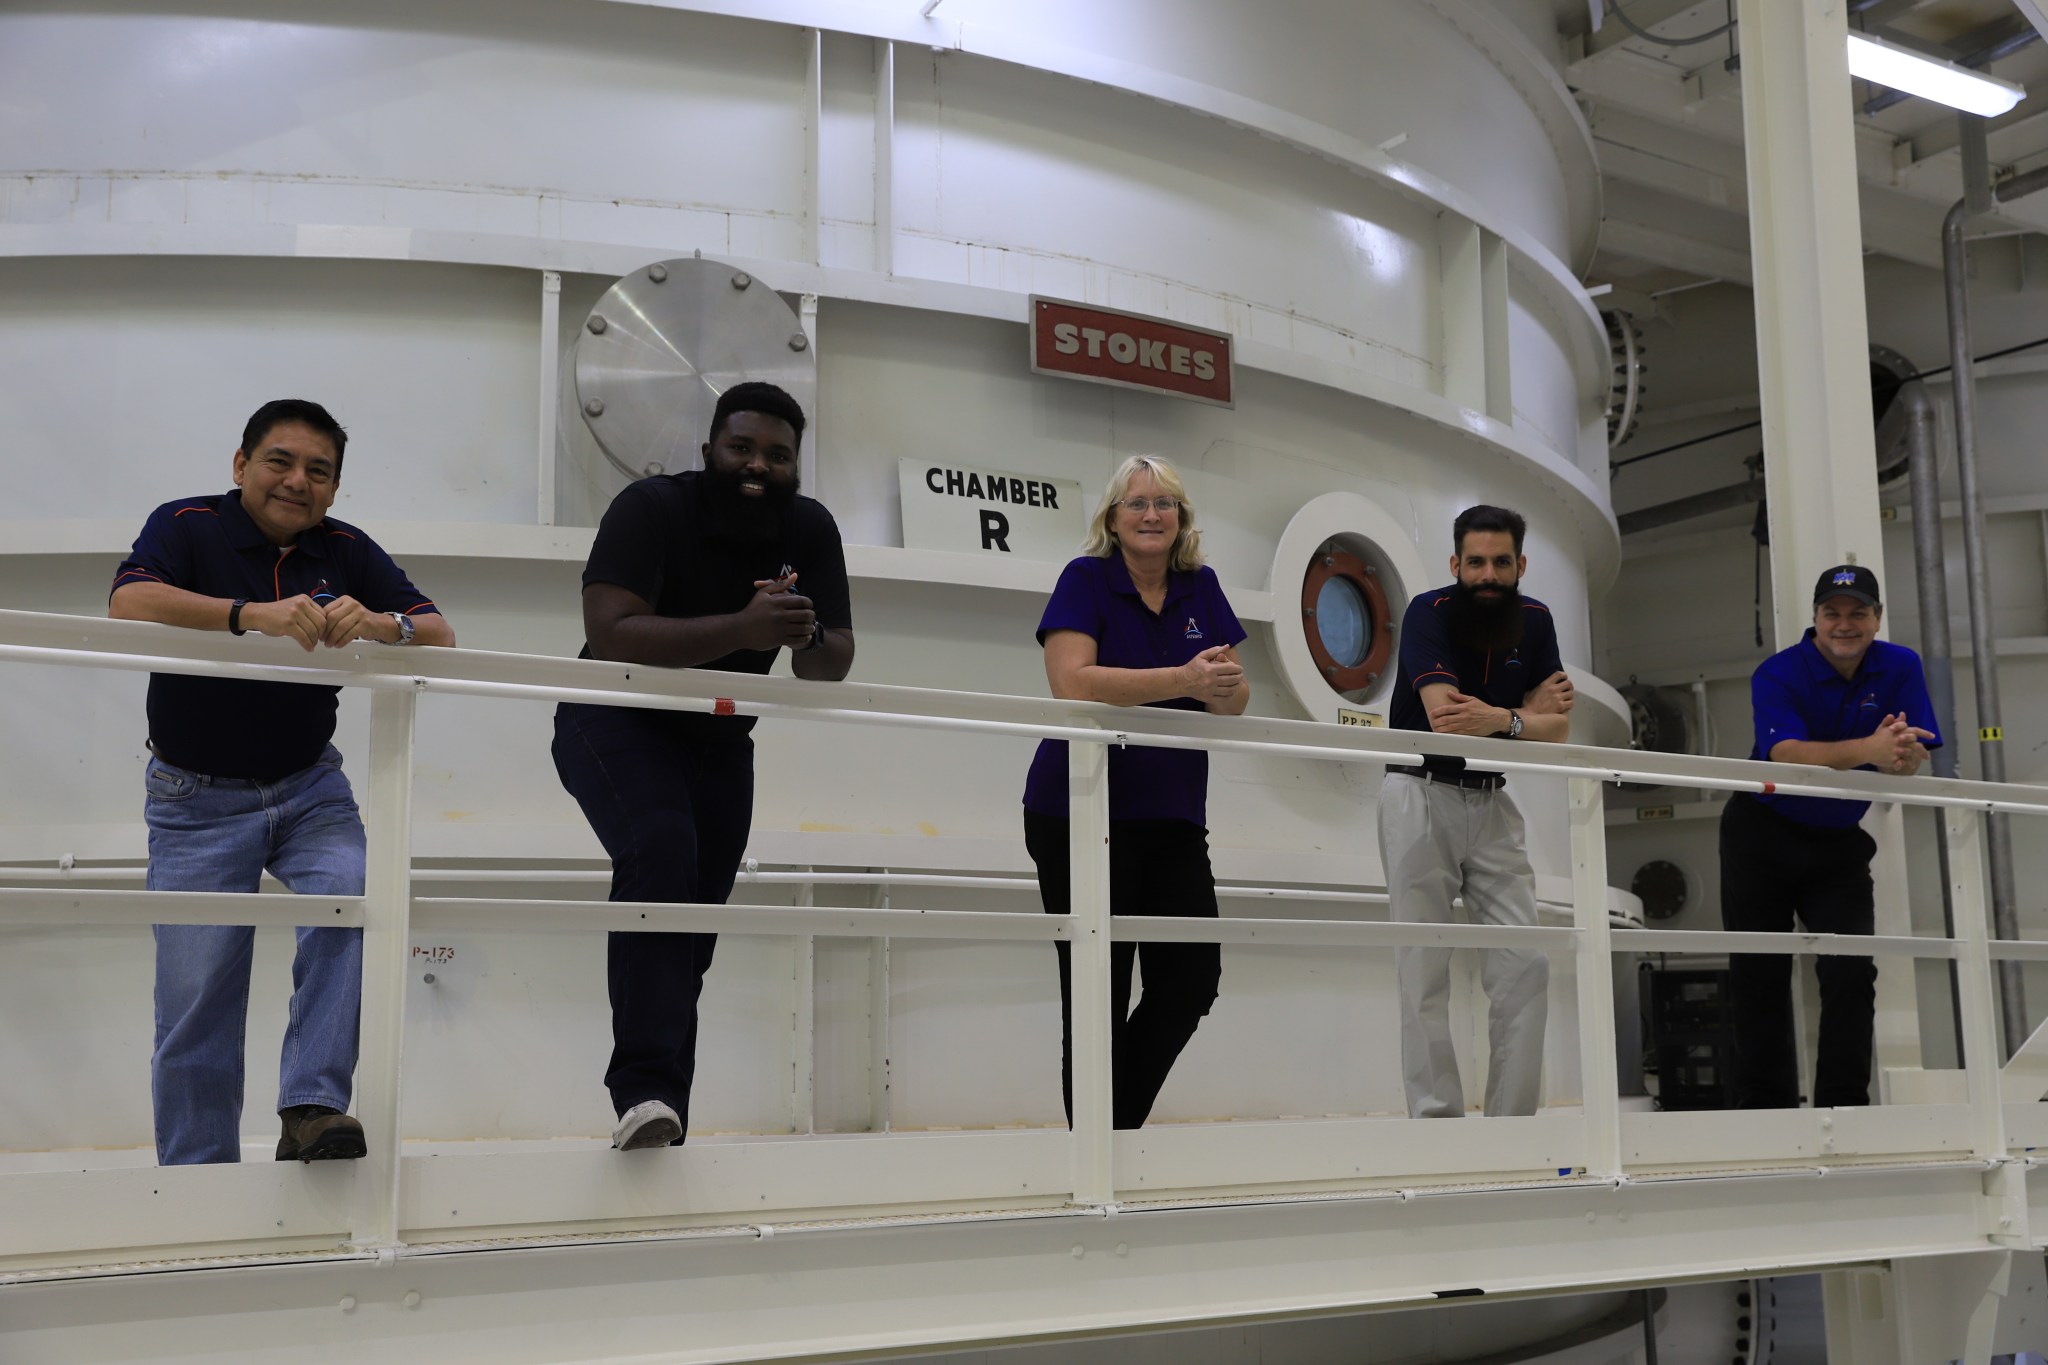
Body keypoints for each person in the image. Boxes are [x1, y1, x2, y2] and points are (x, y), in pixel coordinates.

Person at [109, 398, 455, 1165]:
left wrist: (381, 624)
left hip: (310, 792)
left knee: (355, 900)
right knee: (197, 997)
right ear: (241, 467)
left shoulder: (346, 547)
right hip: (194, 801)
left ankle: (312, 1105)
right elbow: (128, 603)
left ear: (334, 488)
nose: (298, 481)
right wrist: (248, 615)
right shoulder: (186, 522)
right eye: (280, 462)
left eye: (319, 471)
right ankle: (198, 1182)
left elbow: (437, 630)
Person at [553, 381, 854, 1151]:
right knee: (660, 846)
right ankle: (645, 1087)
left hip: (719, 737)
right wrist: (746, 626)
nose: (759, 465)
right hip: (610, 712)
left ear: (796, 464)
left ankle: (660, 1113)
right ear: (709, 451)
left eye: (778, 455)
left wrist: (802, 632)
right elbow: (613, 631)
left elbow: (832, 665)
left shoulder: (809, 527)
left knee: (696, 917)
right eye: (742, 448)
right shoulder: (651, 507)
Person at [1021, 455, 1249, 1130]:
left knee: (1190, 981)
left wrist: (1221, 686)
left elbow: (1232, 700)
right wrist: (1183, 678)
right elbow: (1072, 683)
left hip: (1174, 815)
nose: (1152, 515)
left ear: (1182, 519)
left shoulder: (1200, 586)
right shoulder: (1084, 579)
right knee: (1097, 990)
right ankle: (1098, 1152)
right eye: (1137, 504)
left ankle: (1108, 1130)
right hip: (1080, 811)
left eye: (1165, 504)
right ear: (1112, 520)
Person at [1379, 504, 1574, 1119]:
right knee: (1422, 969)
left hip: (1492, 802)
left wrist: (1505, 718)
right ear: (1455, 564)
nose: (1487, 574)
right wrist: (1519, 714)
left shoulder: (1536, 620)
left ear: (1520, 565)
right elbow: (1446, 718)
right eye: (1475, 562)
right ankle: (1436, 1122)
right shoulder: (1426, 615)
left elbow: (1561, 727)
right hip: (1419, 795)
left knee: (1526, 964)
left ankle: (1512, 1126)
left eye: (1500, 562)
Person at [1722, 564, 1940, 1110]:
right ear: (1816, 619)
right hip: (1760, 833)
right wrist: (1870, 749)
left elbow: (1911, 755)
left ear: (1877, 618)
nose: (1845, 625)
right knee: (1759, 971)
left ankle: (1844, 1108)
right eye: (1833, 614)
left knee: (1851, 971)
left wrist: (1901, 757)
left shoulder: (1900, 665)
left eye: (1858, 614)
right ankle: (1765, 1110)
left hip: (1838, 838)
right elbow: (1785, 754)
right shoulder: (1777, 672)